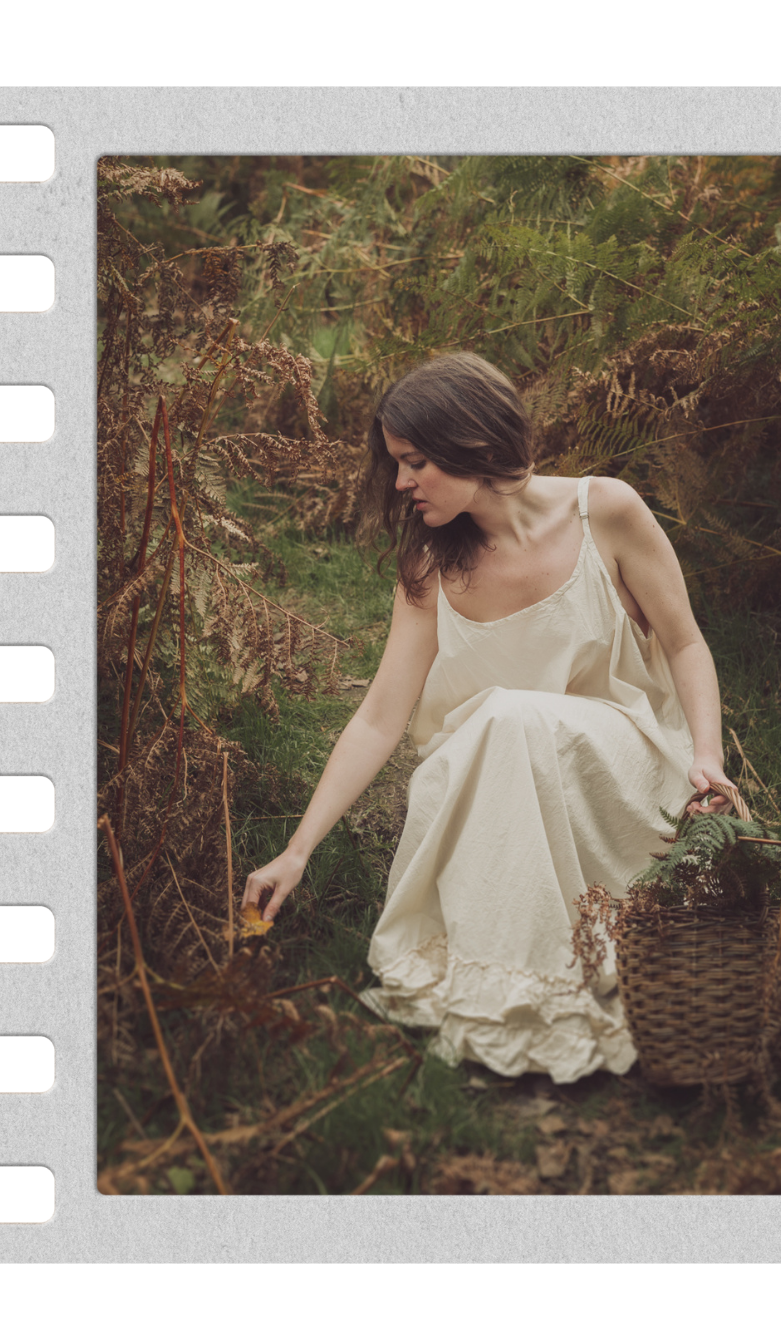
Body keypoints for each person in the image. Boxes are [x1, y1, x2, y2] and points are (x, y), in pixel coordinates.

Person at [242, 352, 736, 1085]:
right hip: (487, 790)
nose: (402, 484)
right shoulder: (431, 569)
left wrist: (705, 754)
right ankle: (518, 990)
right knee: (502, 726)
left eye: (415, 462)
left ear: (472, 442)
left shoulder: (607, 512)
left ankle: (545, 983)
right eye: (396, 465)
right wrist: (299, 849)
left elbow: (686, 642)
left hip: (616, 771)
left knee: (508, 718)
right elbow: (380, 717)